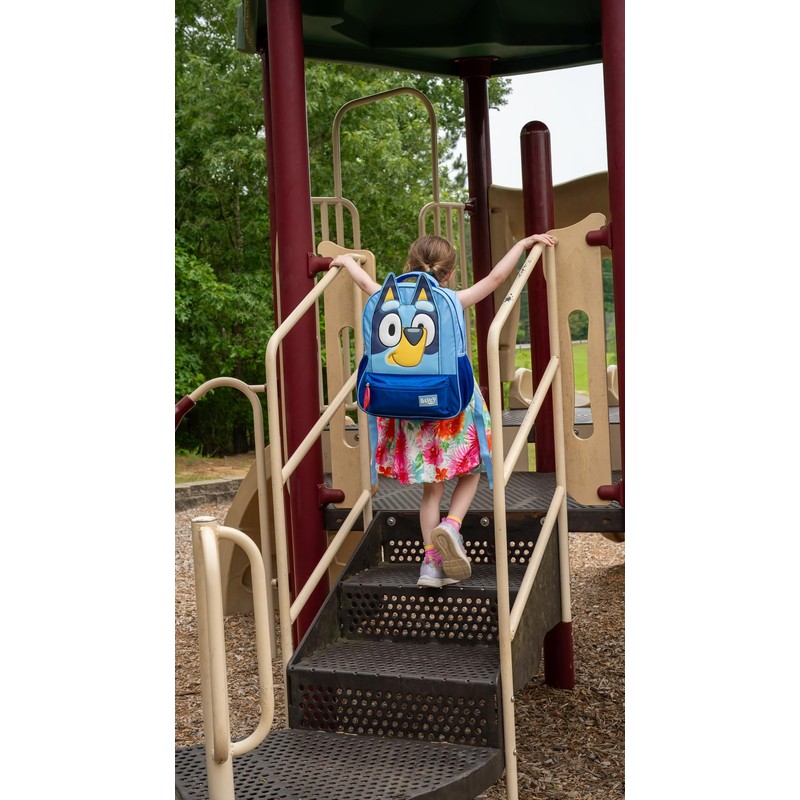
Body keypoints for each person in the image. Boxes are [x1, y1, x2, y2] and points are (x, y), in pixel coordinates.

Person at [331, 232, 555, 589]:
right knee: (472, 470)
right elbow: (496, 278)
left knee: (431, 491)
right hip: (452, 404)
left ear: (409, 265)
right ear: (449, 273)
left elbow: (364, 283)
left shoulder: (389, 297)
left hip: (407, 409)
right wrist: (522, 245)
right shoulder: (451, 299)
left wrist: (346, 262)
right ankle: (451, 525)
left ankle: (430, 565)